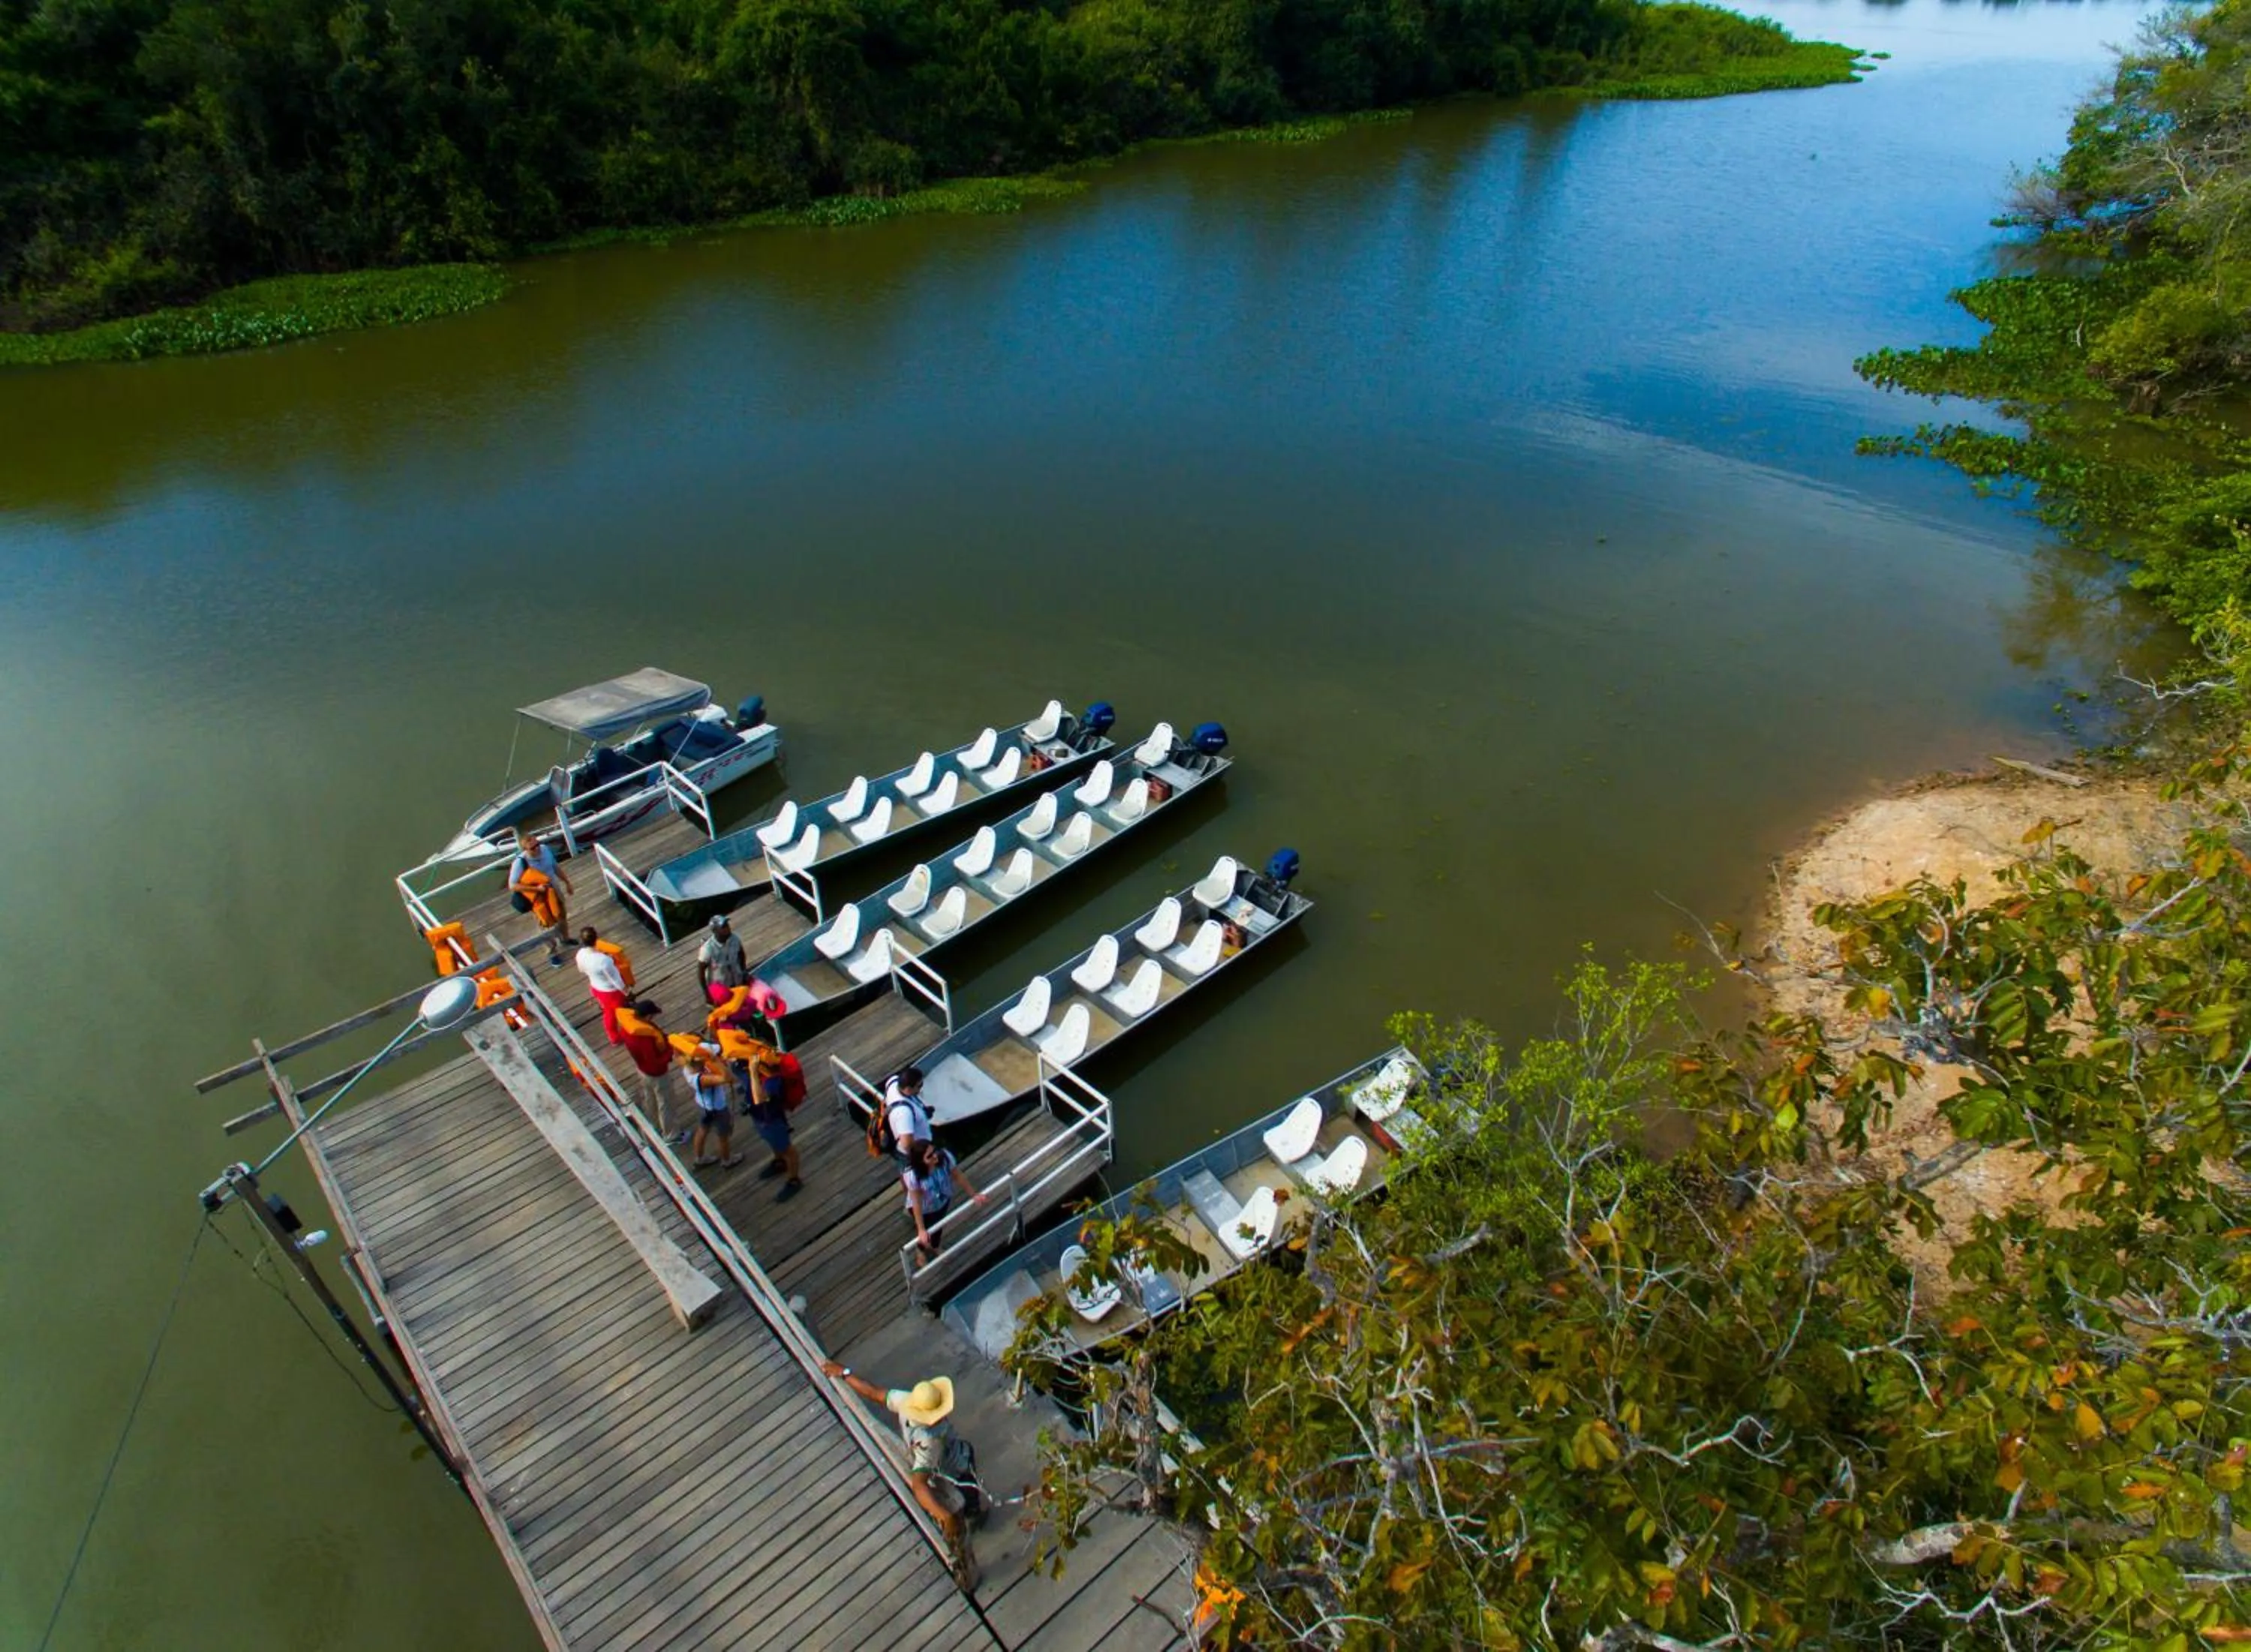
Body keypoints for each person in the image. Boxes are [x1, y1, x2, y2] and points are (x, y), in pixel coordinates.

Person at [818, 1363, 982, 1554]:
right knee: (970, 1497)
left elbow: (873, 1393)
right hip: (957, 1467)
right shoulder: (930, 1441)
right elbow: (919, 1485)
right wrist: (946, 1516)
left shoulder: (906, 1401)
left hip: (941, 1459)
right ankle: (974, 1515)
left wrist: (845, 1374)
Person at [903, 1139, 984, 1258]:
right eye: (929, 1156)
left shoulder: (945, 1158)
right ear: (921, 1161)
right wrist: (921, 1229)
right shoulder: (914, 1176)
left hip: (942, 1200)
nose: (935, 1156)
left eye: (934, 1151)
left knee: (938, 1227)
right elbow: (917, 1202)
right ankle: (920, 1250)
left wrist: (974, 1194)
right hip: (925, 1208)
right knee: (926, 1231)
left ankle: (935, 1246)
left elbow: (958, 1176)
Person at [742, 1047, 804, 1202]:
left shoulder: (773, 1082)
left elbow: (759, 1099)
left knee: (788, 1150)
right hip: (762, 1118)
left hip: (772, 1120)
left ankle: (794, 1180)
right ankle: (779, 1161)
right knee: (774, 1143)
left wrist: (753, 1072)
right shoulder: (764, 1076)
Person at [509, 828, 573, 966]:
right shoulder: (520, 863)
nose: (537, 848)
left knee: (561, 914)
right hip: (539, 896)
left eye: (537, 844)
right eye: (532, 848)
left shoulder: (545, 849)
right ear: (525, 850)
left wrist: (567, 882)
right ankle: (552, 953)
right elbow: (513, 885)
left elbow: (555, 867)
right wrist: (536, 889)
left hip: (553, 888)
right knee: (545, 923)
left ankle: (565, 939)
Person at [680, 1038, 741, 1170]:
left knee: (702, 1130)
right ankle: (727, 1160)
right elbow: (728, 1078)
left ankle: (699, 1159)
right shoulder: (702, 1079)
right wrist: (716, 1061)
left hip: (703, 1106)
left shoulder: (688, 1070)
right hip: (717, 1109)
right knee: (723, 1136)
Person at [614, 1001, 673, 1130]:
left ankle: (651, 1127)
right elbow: (654, 1062)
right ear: (648, 1016)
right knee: (665, 1102)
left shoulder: (627, 1028)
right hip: (657, 1074)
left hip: (642, 1070)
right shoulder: (646, 1038)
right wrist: (670, 1052)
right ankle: (671, 1134)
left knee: (649, 1100)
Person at [575, 927, 635, 1043]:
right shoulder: (604, 960)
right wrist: (627, 992)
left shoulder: (580, 954)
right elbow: (615, 980)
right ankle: (619, 1036)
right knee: (615, 1014)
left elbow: (581, 969)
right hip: (611, 993)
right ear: (596, 938)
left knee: (608, 1011)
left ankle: (614, 1036)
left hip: (596, 987)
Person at [879, 1067, 931, 1165]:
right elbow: (907, 1144)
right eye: (919, 1086)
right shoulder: (904, 1113)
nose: (921, 1088)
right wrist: (923, 1155)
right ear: (908, 1089)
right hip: (914, 1155)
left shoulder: (893, 1082)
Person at [698, 914, 749, 999]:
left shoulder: (735, 939)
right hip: (721, 990)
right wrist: (707, 995)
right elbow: (701, 973)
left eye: (727, 925)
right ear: (715, 931)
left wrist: (743, 971)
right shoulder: (708, 949)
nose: (728, 928)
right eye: (723, 927)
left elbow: (741, 954)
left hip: (738, 982)